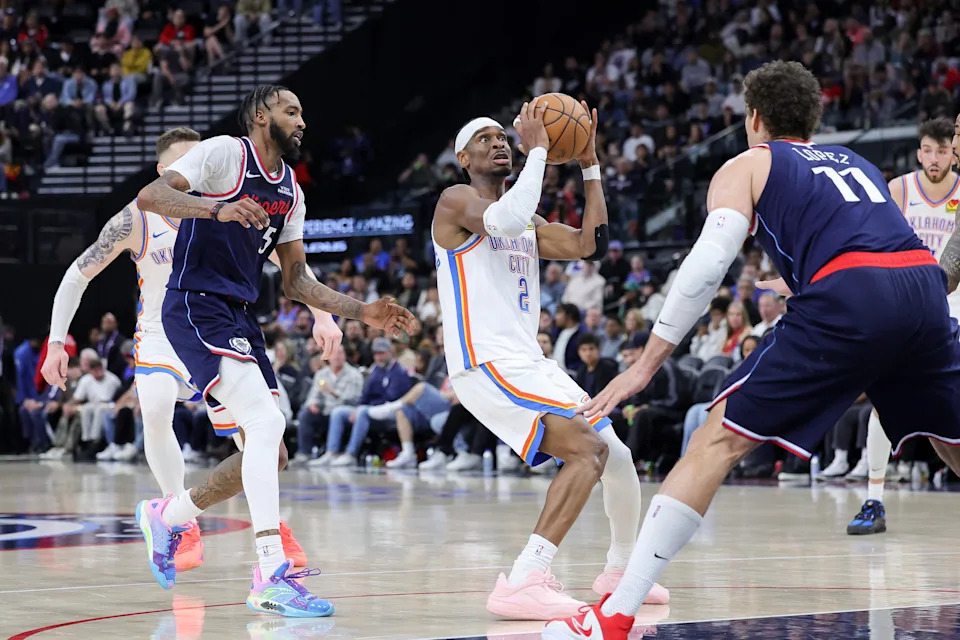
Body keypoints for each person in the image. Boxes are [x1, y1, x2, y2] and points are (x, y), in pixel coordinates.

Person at [545, 62, 960, 638]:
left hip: (854, 294)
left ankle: (613, 618)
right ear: (812, 119)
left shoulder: (750, 162)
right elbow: (871, 246)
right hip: (923, 287)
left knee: (715, 438)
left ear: (754, 118)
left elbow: (707, 266)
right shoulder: (861, 164)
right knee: (952, 440)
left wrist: (644, 364)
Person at [136, 85, 415, 616]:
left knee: (270, 451)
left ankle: (167, 516)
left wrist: (362, 311)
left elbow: (295, 281)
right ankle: (270, 574)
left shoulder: (289, 188)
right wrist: (216, 210)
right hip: (194, 303)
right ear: (262, 115)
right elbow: (151, 197)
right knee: (266, 425)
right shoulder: (225, 152)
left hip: (240, 315)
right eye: (292, 110)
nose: (302, 120)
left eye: (303, 112)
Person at [40, 127, 341, 573]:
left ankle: (269, 524)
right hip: (163, 334)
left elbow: (290, 260)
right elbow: (77, 274)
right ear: (165, 173)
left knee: (258, 435)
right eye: (186, 164)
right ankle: (177, 520)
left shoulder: (231, 207)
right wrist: (54, 342)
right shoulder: (136, 218)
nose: (200, 171)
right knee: (157, 406)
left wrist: (321, 313)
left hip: (217, 326)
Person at [432, 102, 667, 621]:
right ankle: (525, 578)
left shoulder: (527, 221)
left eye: (502, 137)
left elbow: (592, 245)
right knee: (585, 450)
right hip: (485, 362)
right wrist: (538, 149)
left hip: (527, 362)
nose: (499, 143)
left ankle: (620, 570)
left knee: (618, 455)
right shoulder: (457, 201)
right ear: (462, 157)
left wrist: (589, 164)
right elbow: (504, 217)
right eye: (485, 138)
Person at [845, 117, 959, 534]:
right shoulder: (898, 190)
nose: (934, 158)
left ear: (953, 153)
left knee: (942, 422)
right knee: (884, 399)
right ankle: (873, 500)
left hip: (952, 312)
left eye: (942, 151)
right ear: (918, 152)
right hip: (906, 309)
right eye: (928, 150)